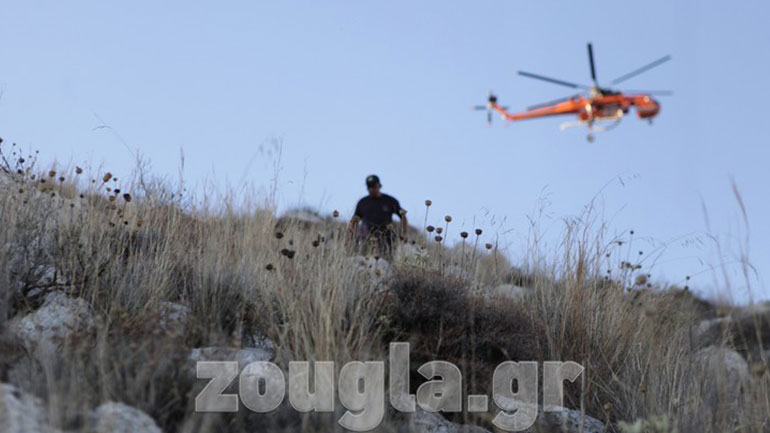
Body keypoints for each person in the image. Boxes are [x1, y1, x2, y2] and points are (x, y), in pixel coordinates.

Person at [348, 174, 407, 259]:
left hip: (387, 238)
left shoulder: (389, 200)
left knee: (387, 260)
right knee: (365, 260)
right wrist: (350, 236)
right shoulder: (363, 202)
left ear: (379, 185)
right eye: (369, 187)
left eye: (373, 186)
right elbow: (354, 221)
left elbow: (403, 216)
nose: (371, 189)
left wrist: (404, 233)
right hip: (367, 238)